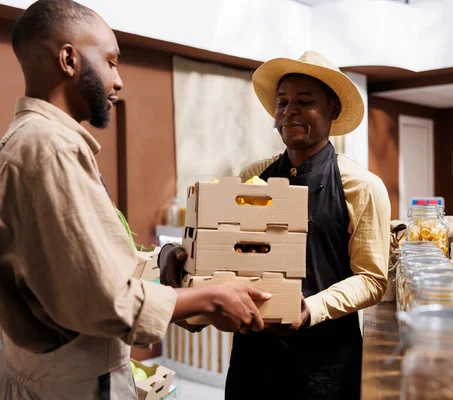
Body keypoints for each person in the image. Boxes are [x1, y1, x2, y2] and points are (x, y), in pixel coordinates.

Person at [0, 1, 269, 399]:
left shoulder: (26, 139)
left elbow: (73, 268)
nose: (118, 80)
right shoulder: (49, 147)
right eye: (110, 61)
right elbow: (104, 300)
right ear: (69, 59)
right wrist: (211, 296)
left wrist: (160, 264)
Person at [160, 51, 391, 399]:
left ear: (333, 109)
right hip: (254, 360)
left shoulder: (362, 186)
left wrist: (310, 308)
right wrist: (180, 258)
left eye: (305, 101)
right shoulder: (253, 176)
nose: (289, 111)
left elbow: (372, 279)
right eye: (282, 102)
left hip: (325, 364)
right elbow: (230, 253)